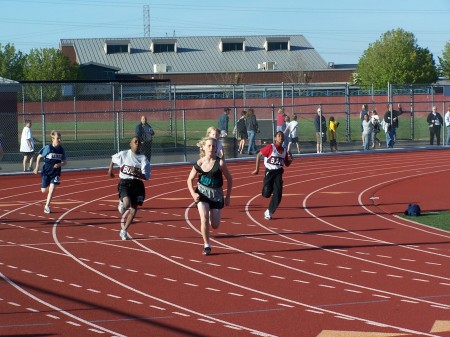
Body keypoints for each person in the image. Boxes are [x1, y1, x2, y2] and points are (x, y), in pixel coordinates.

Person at [187, 137, 232, 255]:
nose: (212, 148)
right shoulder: (199, 163)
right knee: (204, 218)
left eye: (214, 146)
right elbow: (189, 180)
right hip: (202, 193)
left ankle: (211, 224)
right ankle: (207, 245)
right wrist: (193, 193)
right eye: (209, 146)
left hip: (216, 195)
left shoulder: (220, 163)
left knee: (215, 225)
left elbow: (230, 179)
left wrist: (227, 197)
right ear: (203, 147)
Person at [108, 136, 151, 240]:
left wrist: (138, 173)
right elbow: (113, 159)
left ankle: (124, 231)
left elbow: (147, 176)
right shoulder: (124, 154)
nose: (137, 143)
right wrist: (110, 171)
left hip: (137, 184)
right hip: (125, 182)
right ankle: (122, 202)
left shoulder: (143, 159)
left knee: (133, 210)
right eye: (135, 142)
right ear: (130, 144)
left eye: (139, 142)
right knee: (126, 204)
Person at [252, 131, 293, 220]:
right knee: (266, 194)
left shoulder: (284, 151)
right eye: (278, 136)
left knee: (278, 193)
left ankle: (269, 211)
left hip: (278, 172)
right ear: (275, 138)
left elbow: (286, 164)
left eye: (282, 136)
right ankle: (266, 191)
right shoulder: (270, 147)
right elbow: (259, 155)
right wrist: (257, 169)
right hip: (269, 172)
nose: (280, 137)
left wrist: (291, 159)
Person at [33, 130, 67, 214]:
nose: (59, 140)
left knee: (52, 190)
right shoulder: (48, 148)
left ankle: (46, 206)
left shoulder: (61, 150)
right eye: (57, 138)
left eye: (60, 138)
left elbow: (65, 162)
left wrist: (59, 164)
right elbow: (39, 157)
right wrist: (37, 167)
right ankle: (47, 186)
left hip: (55, 172)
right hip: (46, 171)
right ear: (53, 139)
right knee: (44, 190)